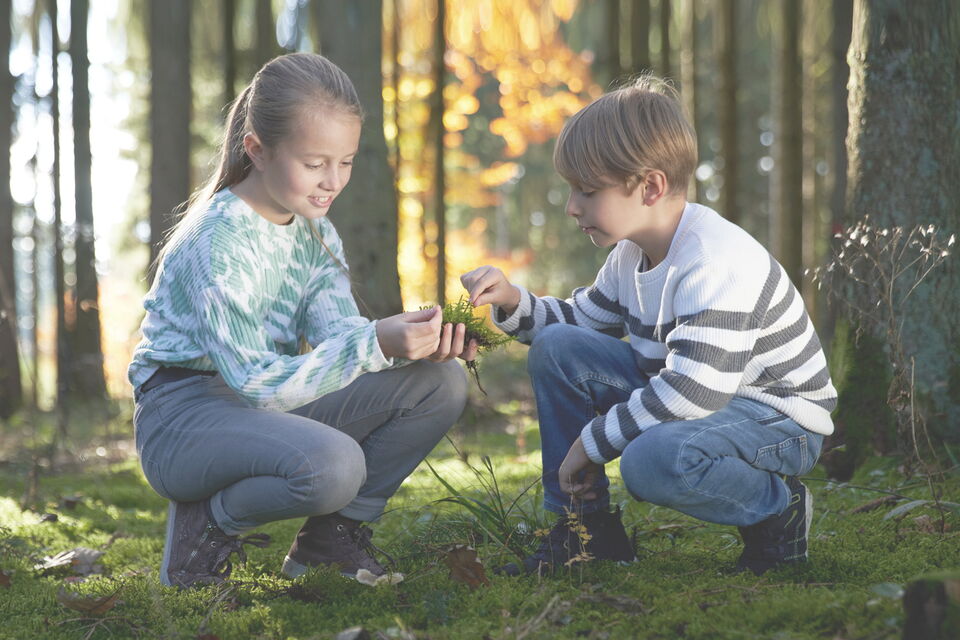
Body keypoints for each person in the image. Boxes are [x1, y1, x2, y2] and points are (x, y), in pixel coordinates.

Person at [460, 75, 837, 577]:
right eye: (572, 190)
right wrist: (510, 300)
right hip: (700, 396)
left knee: (651, 461)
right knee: (556, 346)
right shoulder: (630, 255)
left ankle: (778, 508)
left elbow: (692, 391)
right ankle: (584, 530)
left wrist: (590, 444)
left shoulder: (712, 261)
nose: (572, 207)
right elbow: (578, 325)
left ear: (651, 186)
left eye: (588, 191)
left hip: (778, 418)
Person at [129, 53, 476, 589]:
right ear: (258, 151)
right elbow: (259, 385)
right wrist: (374, 345)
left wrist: (408, 341)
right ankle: (205, 526)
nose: (332, 181)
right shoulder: (218, 242)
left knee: (438, 382)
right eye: (315, 163)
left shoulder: (314, 231)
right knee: (333, 467)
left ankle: (329, 540)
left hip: (257, 403)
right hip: (182, 416)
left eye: (347, 161)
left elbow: (340, 336)